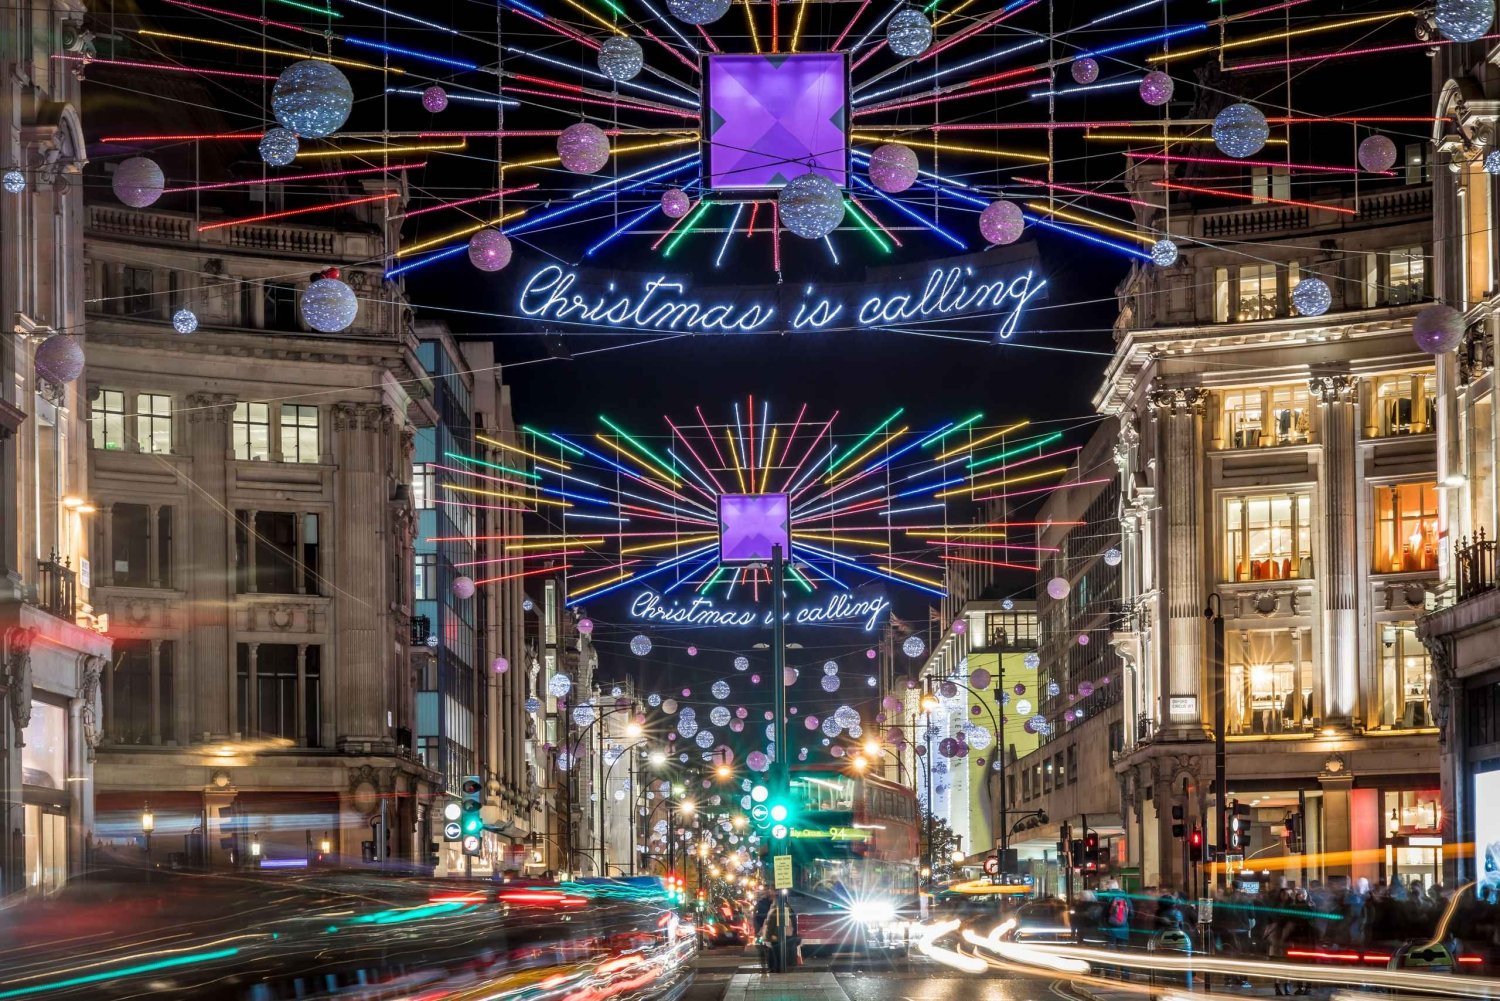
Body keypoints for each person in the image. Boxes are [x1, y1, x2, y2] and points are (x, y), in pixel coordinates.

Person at [753, 889, 774, 973]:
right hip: (765, 929)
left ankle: (765, 967)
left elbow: (756, 917)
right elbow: (756, 917)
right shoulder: (767, 903)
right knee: (766, 948)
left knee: (763, 948)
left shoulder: (763, 904)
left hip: (764, 929)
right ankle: (766, 967)